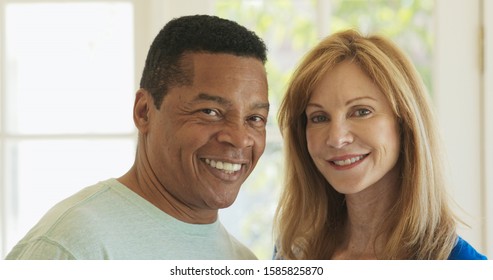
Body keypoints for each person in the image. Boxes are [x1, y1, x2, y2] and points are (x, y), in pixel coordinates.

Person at [6, 15, 269, 260]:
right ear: (144, 112)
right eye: (210, 111)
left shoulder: (243, 260)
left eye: (254, 119)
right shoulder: (74, 247)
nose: (239, 139)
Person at [274, 29, 487, 260]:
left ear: (405, 123)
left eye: (361, 111)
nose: (336, 138)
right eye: (319, 117)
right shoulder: (292, 253)